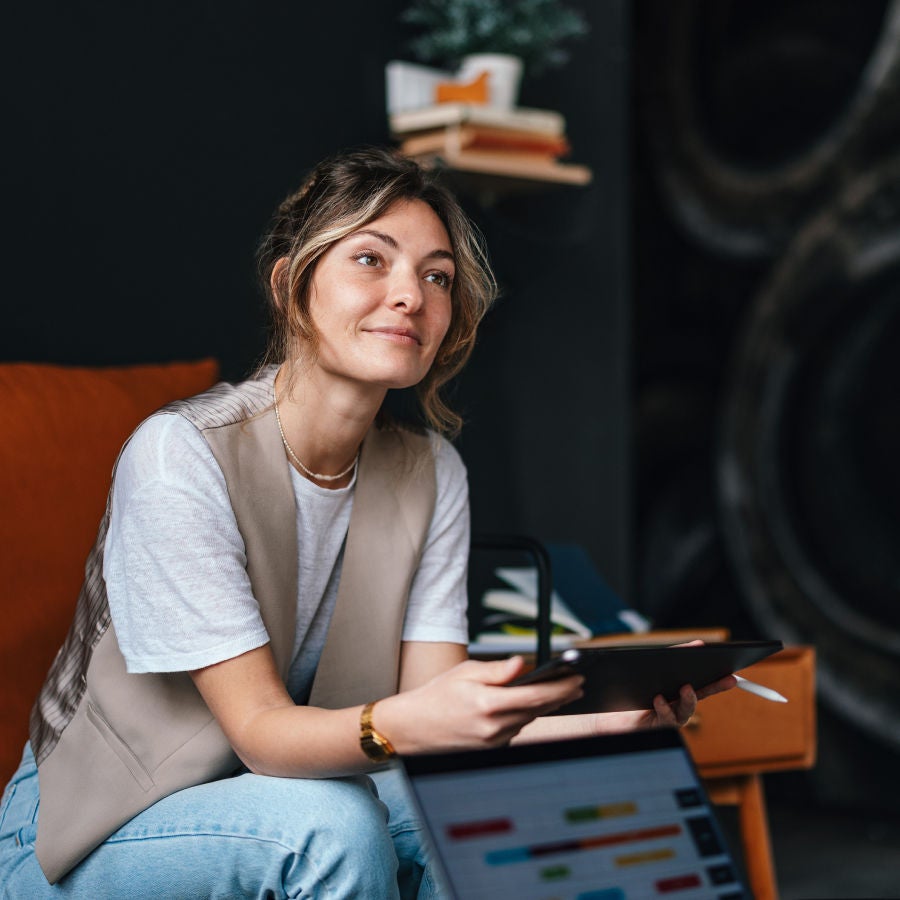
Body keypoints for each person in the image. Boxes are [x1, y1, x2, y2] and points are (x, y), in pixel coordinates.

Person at [0, 146, 734, 898]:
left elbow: (441, 714)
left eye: (436, 275)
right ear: (292, 284)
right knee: (334, 825)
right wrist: (407, 728)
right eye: (371, 260)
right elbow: (262, 735)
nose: (410, 295)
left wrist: (600, 728)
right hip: (88, 831)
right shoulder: (181, 455)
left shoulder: (430, 473)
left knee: (463, 806)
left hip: (290, 794)